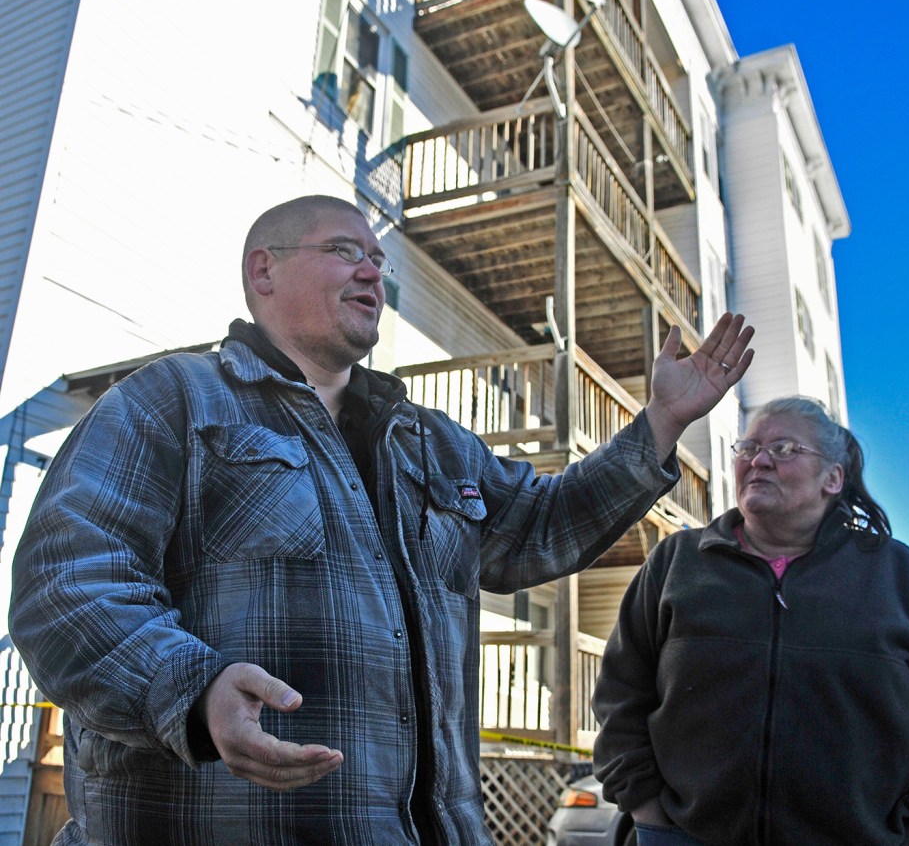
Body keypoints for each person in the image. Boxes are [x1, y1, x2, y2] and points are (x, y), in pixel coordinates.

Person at [8, 194, 755, 845]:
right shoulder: (173, 401)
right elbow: (67, 581)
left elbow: (544, 523)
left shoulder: (429, 442)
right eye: (344, 252)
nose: (374, 271)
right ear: (262, 271)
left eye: (377, 257)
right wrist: (191, 691)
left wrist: (660, 421)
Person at [592, 397, 909, 846]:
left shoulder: (901, 578)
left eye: (785, 449)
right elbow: (619, 698)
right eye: (747, 449)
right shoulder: (677, 564)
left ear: (833, 478)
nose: (759, 460)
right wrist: (652, 820)